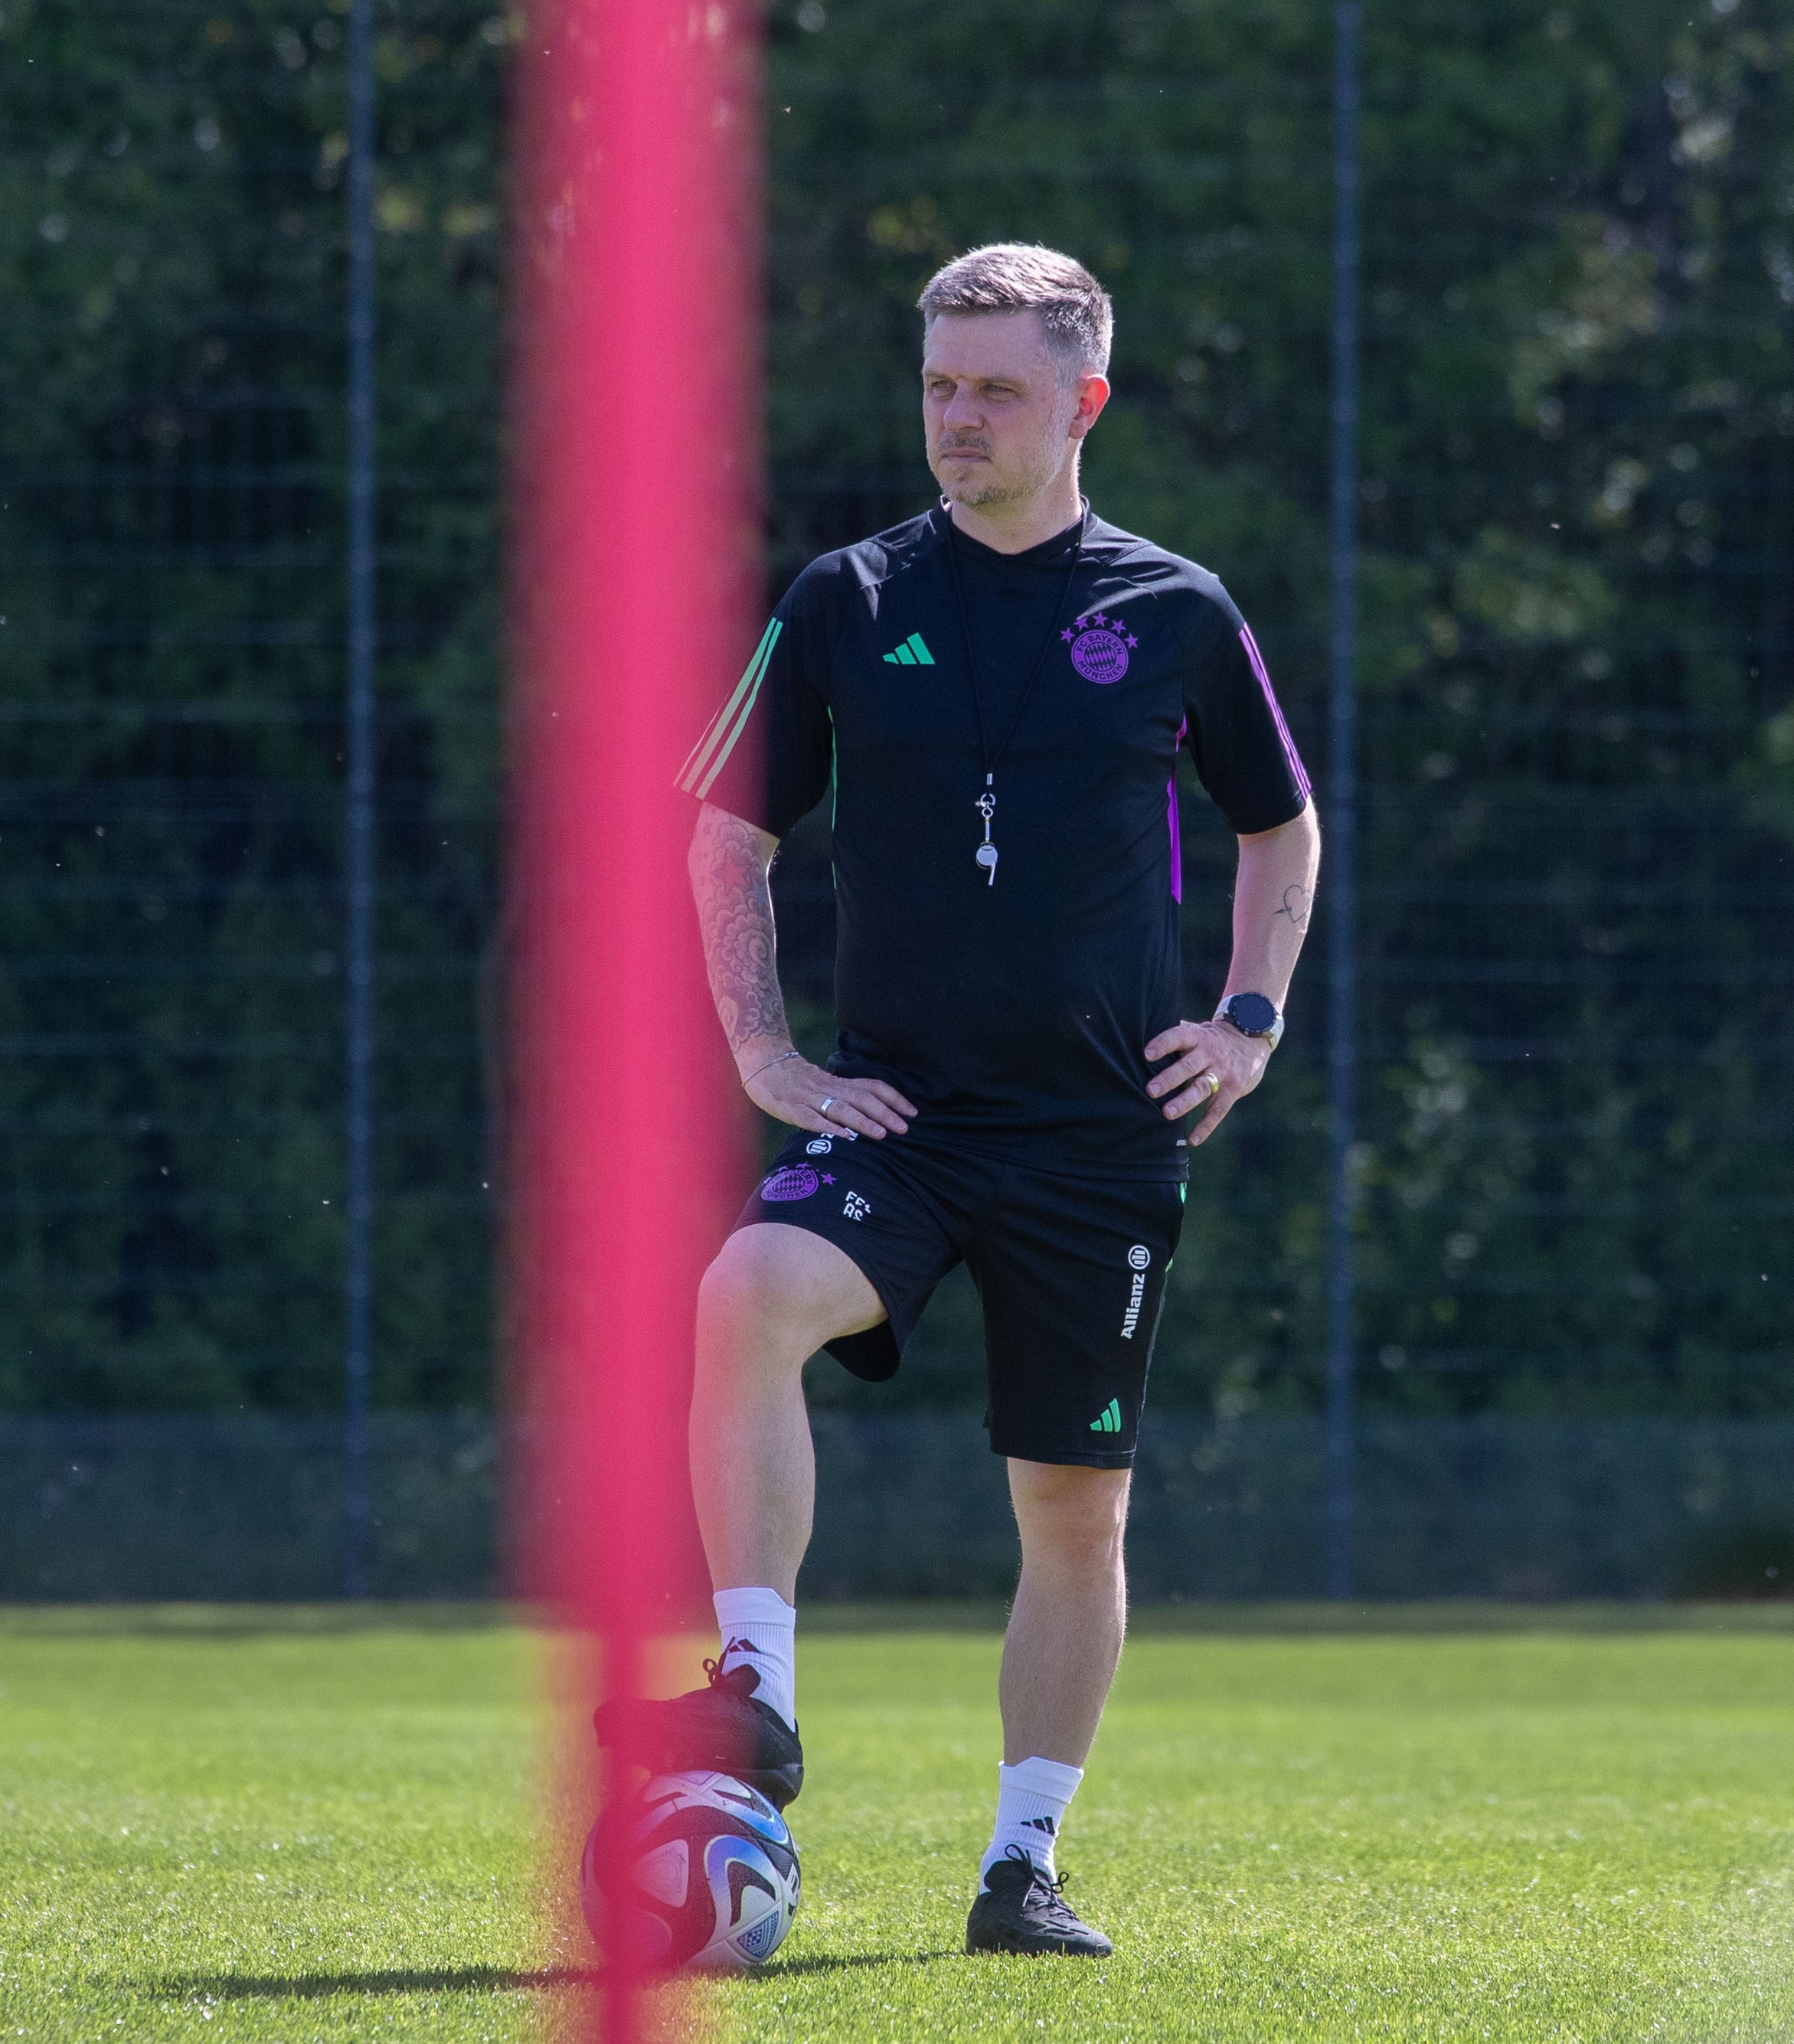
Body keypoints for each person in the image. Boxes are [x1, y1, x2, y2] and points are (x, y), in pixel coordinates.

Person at [600, 242, 1319, 1958]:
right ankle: (755, 1696)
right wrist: (770, 1062)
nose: (957, 419)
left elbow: (1278, 826)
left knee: (1074, 1511)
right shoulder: (849, 598)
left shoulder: (1177, 609)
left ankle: (1021, 1867)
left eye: (995, 388)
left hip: (1095, 1140)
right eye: (937, 384)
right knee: (747, 1293)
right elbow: (727, 835)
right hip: (902, 1121)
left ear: (1082, 403)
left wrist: (1245, 1021)